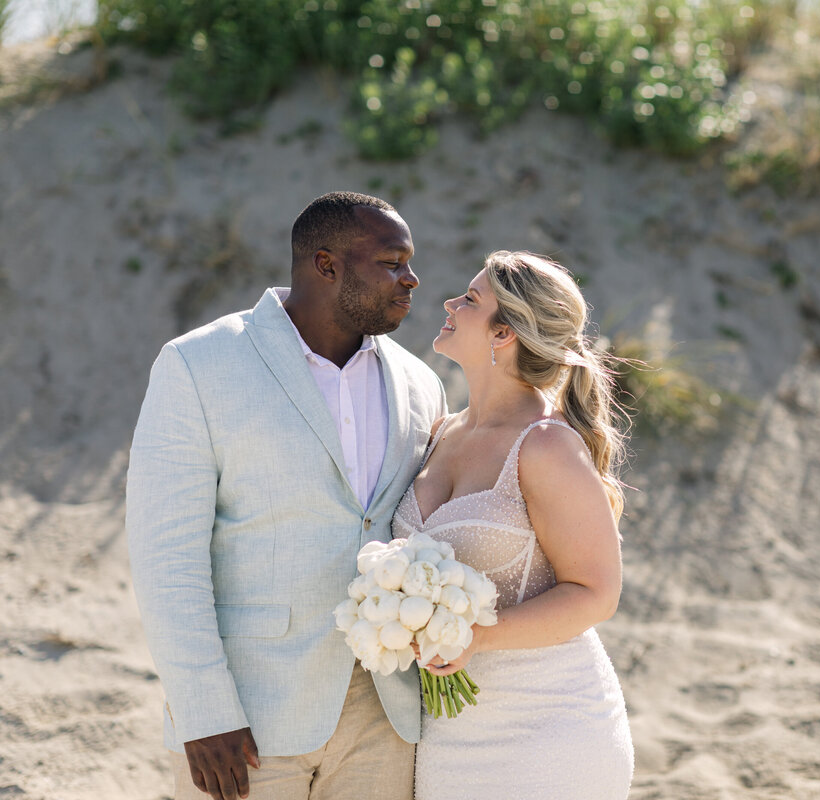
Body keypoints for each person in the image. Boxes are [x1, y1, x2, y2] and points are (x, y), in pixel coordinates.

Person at [126, 191, 446, 800]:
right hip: (247, 719)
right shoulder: (198, 365)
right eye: (391, 262)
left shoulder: (420, 382)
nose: (412, 278)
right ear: (325, 265)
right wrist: (202, 711)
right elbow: (167, 558)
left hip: (385, 714)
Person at [391, 250, 635, 799]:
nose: (451, 303)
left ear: (505, 334)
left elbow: (596, 593)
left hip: (549, 728)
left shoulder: (545, 446)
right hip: (448, 738)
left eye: (470, 299)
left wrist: (475, 637)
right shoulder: (439, 433)